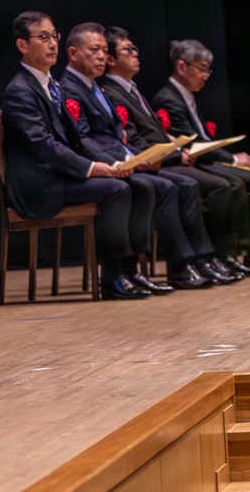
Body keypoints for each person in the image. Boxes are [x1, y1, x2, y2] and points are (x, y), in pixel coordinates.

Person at [59, 25, 218, 292]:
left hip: (118, 160)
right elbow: (84, 140)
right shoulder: (70, 88)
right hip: (95, 167)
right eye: (94, 50)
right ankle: (134, 271)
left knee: (163, 186)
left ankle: (137, 270)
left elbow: (117, 135)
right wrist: (122, 161)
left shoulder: (94, 87)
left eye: (104, 51)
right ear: (73, 53)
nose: (100, 56)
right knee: (154, 186)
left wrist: (133, 156)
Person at [0, 12, 148, 300]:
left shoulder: (50, 83)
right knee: (116, 189)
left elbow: (73, 139)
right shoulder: (20, 91)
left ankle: (131, 271)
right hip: (40, 186)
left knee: (137, 185)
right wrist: (92, 167)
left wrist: (111, 162)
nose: (53, 43)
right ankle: (113, 277)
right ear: (22, 45)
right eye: (43, 37)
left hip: (61, 175)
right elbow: (43, 145)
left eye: (54, 36)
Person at [100, 26, 246, 282]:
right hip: (152, 163)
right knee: (192, 185)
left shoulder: (131, 89)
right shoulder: (112, 92)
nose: (136, 54)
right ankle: (191, 261)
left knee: (215, 182)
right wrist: (176, 155)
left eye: (135, 48)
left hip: (163, 160)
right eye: (128, 50)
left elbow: (151, 133)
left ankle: (206, 258)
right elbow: (134, 140)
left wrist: (175, 146)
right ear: (111, 59)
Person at [152, 40, 250, 273]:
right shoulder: (168, 98)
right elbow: (195, 142)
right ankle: (247, 251)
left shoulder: (186, 95)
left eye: (208, 70)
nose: (205, 75)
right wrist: (232, 160)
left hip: (206, 158)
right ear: (182, 67)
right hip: (197, 162)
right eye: (201, 69)